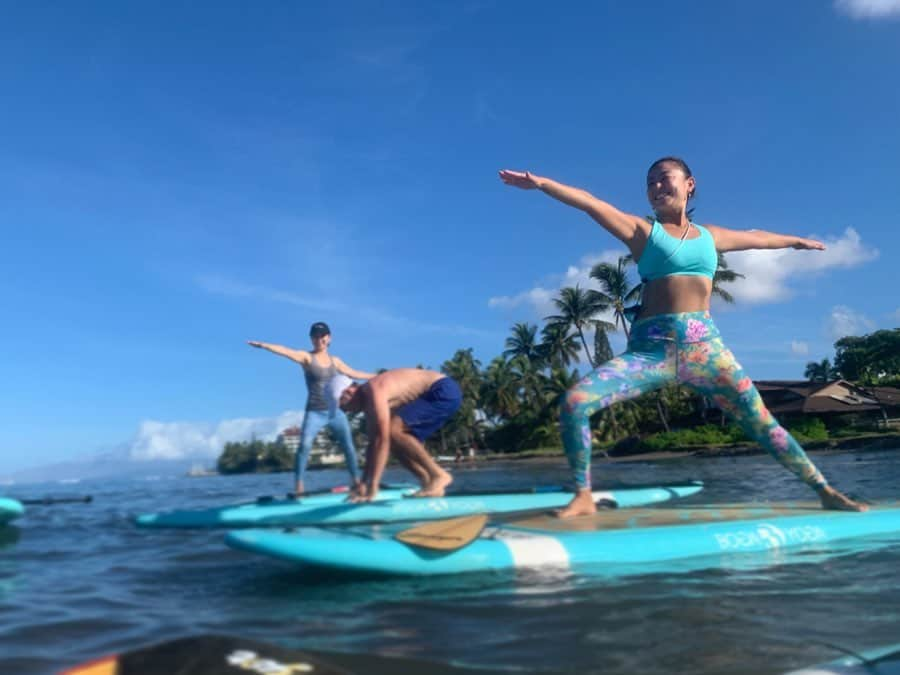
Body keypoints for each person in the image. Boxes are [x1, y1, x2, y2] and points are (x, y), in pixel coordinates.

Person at [499, 158, 867, 517]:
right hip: (649, 353)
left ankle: (826, 491)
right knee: (575, 402)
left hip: (707, 352)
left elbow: (758, 239)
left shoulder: (710, 236)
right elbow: (591, 203)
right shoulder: (643, 233)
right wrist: (542, 184)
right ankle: (582, 495)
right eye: (650, 183)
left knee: (764, 424)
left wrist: (796, 241)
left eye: (664, 178)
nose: (656, 187)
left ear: (689, 184)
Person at [248, 322, 376, 495]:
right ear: (311, 339)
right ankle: (299, 486)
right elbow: (286, 351)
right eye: (315, 336)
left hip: (335, 411)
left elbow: (354, 373)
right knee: (304, 447)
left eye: (322, 336)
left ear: (329, 338)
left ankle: (356, 481)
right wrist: (265, 346)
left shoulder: (335, 361)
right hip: (314, 412)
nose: (319, 339)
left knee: (348, 447)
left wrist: (376, 376)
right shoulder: (307, 357)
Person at [338, 368, 460, 501]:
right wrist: (363, 484)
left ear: (349, 392)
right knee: (393, 440)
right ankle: (428, 482)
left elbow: (381, 440)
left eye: (344, 407)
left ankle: (438, 475)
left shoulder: (374, 390)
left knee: (394, 430)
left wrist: (373, 487)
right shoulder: (368, 404)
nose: (347, 412)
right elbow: (373, 445)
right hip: (435, 394)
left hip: (442, 390)